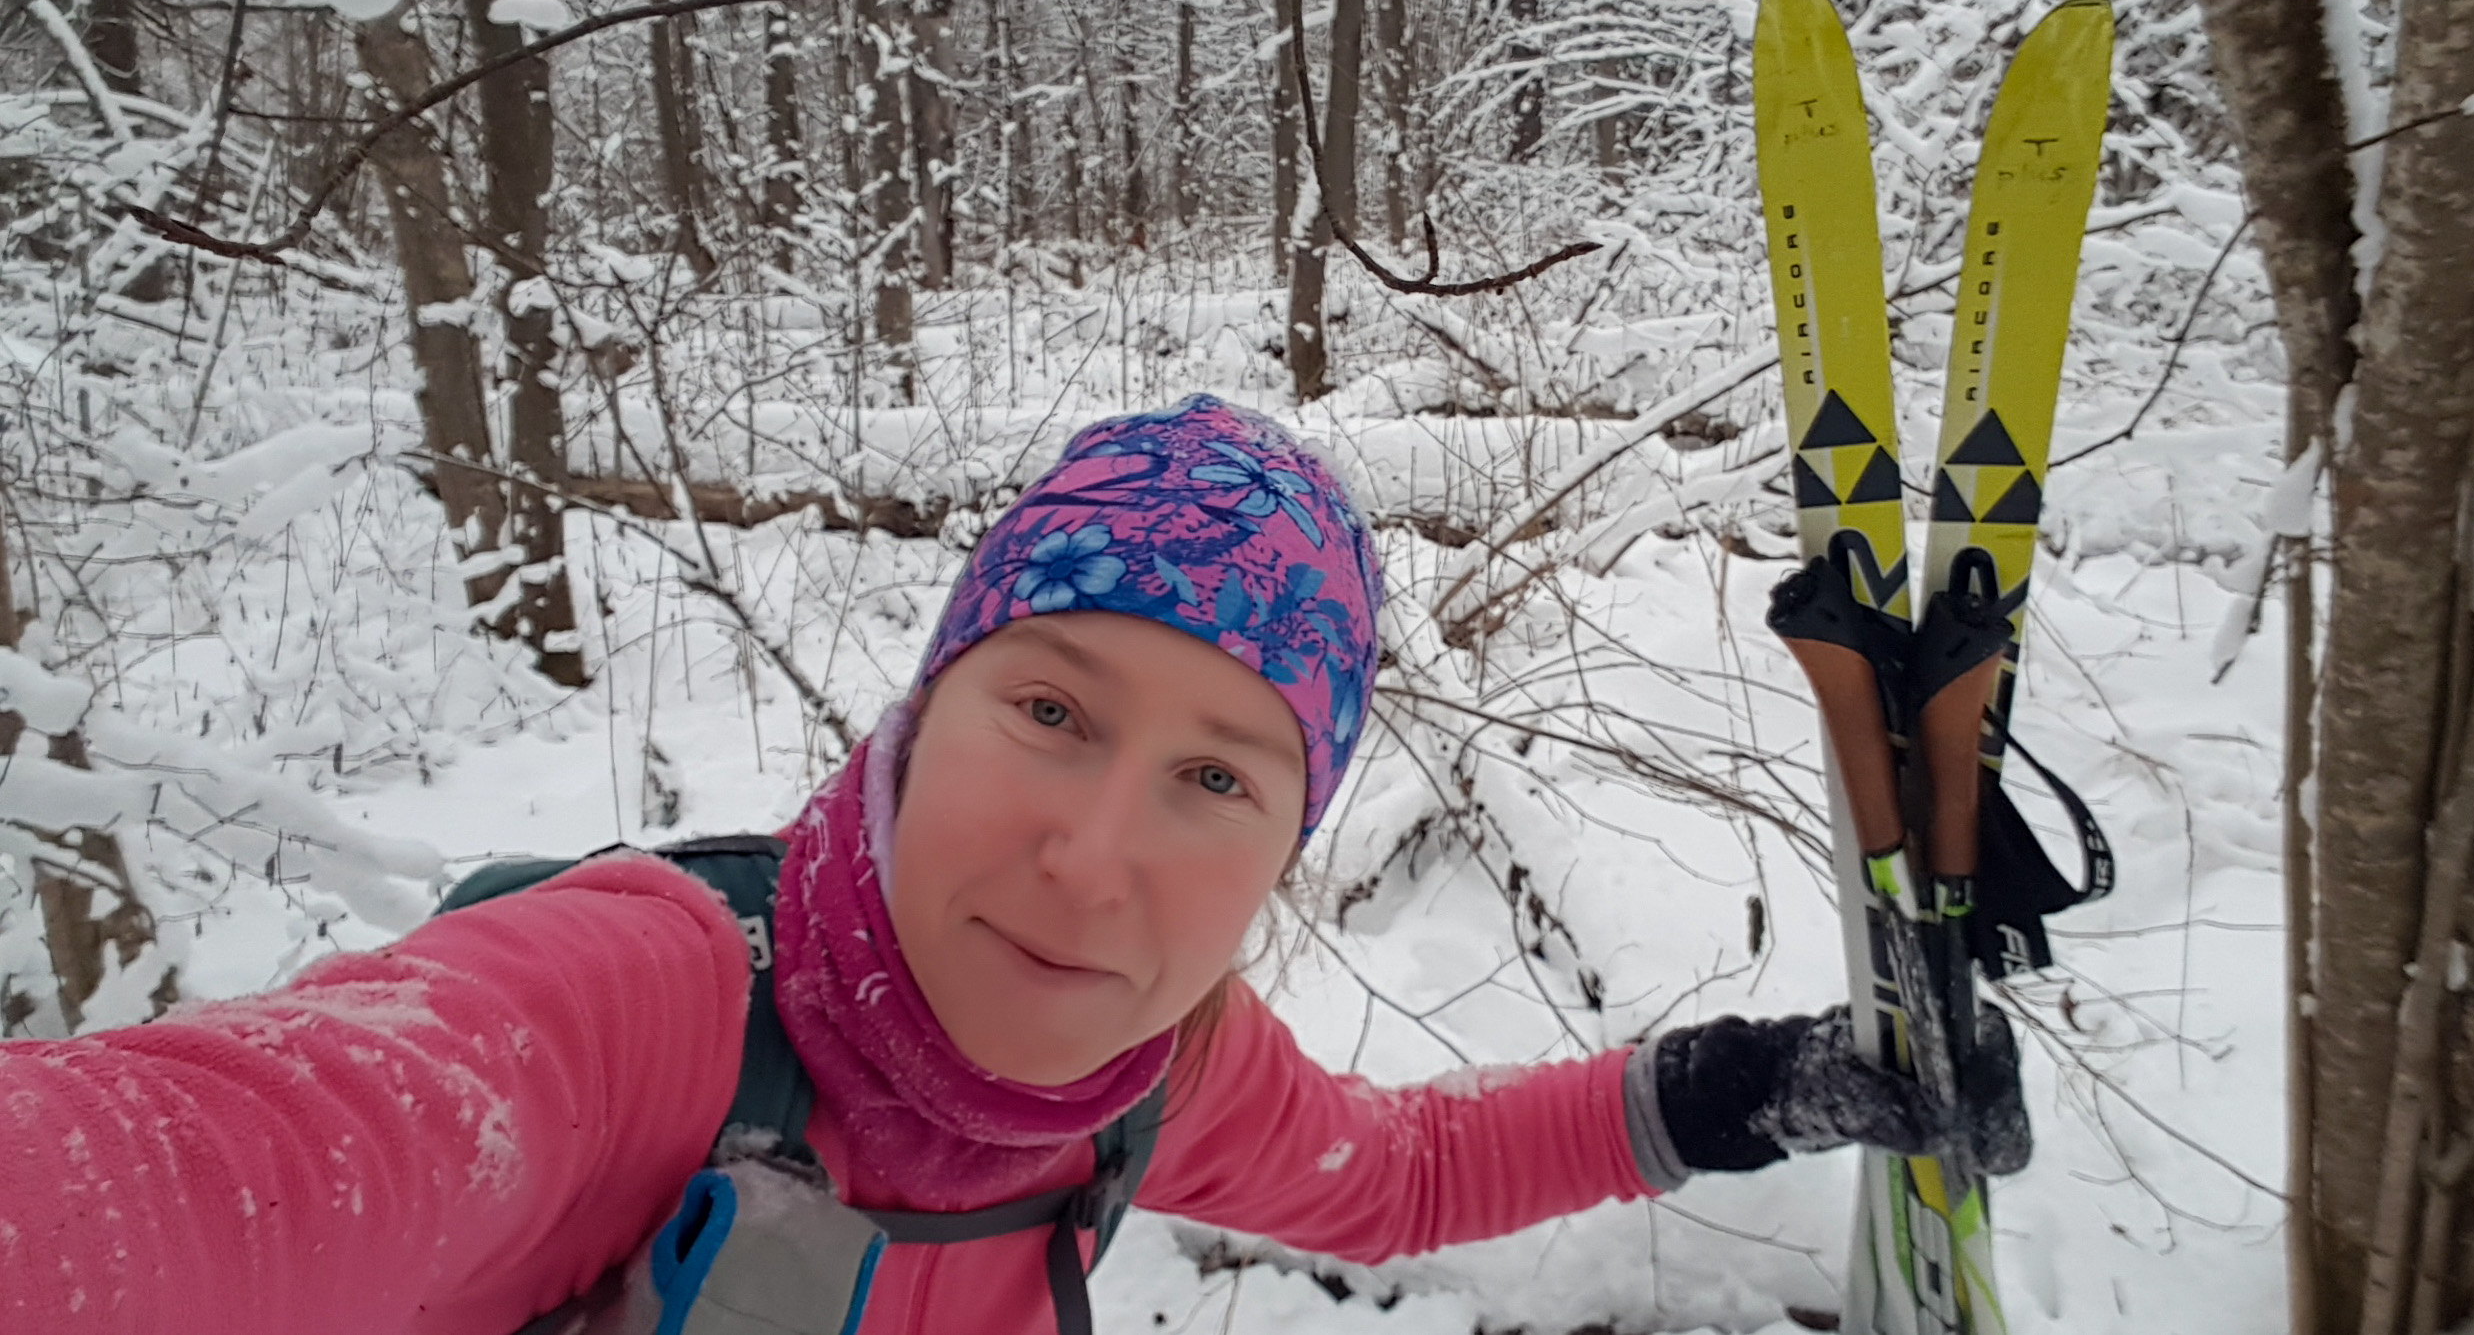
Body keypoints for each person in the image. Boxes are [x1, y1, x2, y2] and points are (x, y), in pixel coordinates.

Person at [0, 395, 2027, 1335]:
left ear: (1282, 850)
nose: (1092, 857)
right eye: (1050, 708)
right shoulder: (627, 1009)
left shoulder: (1150, 1071)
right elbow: (188, 1178)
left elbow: (1399, 1175)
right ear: (926, 707)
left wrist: (1766, 1087)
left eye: (1218, 778)